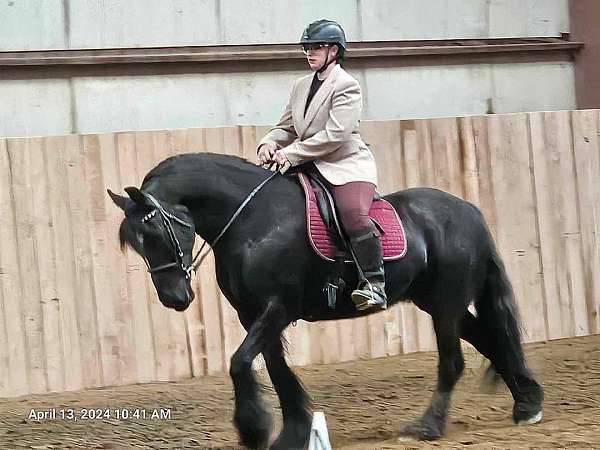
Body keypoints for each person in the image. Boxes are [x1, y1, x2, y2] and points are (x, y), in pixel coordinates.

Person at [256, 19, 386, 311]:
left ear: (335, 50)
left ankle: (375, 284)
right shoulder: (300, 86)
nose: (309, 52)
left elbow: (335, 135)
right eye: (307, 47)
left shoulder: (347, 85)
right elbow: (286, 126)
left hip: (345, 165)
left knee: (353, 214)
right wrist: (269, 143)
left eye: (316, 46)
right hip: (307, 164)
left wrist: (290, 154)